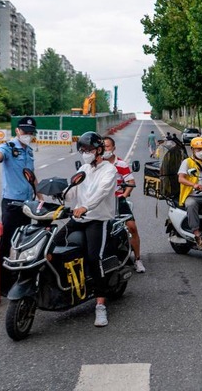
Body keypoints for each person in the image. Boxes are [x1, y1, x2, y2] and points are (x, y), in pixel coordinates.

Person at [61, 131, 118, 327]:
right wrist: (61, 195)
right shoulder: (84, 168)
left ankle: (100, 305)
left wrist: (86, 207)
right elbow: (72, 190)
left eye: (89, 149)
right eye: (82, 150)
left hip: (97, 219)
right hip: (79, 218)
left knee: (95, 258)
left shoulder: (109, 170)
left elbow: (102, 192)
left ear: (99, 150)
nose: (85, 153)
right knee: (54, 243)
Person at [0, 116, 39, 296]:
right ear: (17, 131)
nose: (28, 135)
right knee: (8, 242)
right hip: (11, 203)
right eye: (25, 131)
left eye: (31, 132)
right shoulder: (8, 147)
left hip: (28, 203)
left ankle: (20, 277)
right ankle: (3, 283)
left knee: (25, 242)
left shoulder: (29, 151)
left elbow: (32, 176)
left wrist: (39, 197)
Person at [103, 136, 145, 273]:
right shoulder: (97, 164)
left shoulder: (121, 164)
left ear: (113, 148)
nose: (105, 149)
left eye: (108, 146)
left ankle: (138, 259)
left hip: (117, 201)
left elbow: (131, 183)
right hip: (101, 202)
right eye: (103, 147)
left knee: (132, 228)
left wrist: (123, 197)